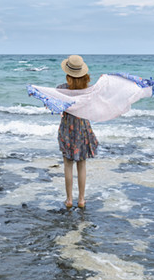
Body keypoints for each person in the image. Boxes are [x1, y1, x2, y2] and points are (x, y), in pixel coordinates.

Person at [57, 55, 98, 209]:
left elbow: (57, 107)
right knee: (82, 164)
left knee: (68, 165)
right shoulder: (88, 90)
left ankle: (69, 200)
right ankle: (81, 200)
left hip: (67, 127)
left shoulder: (61, 89)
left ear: (68, 73)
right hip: (83, 127)